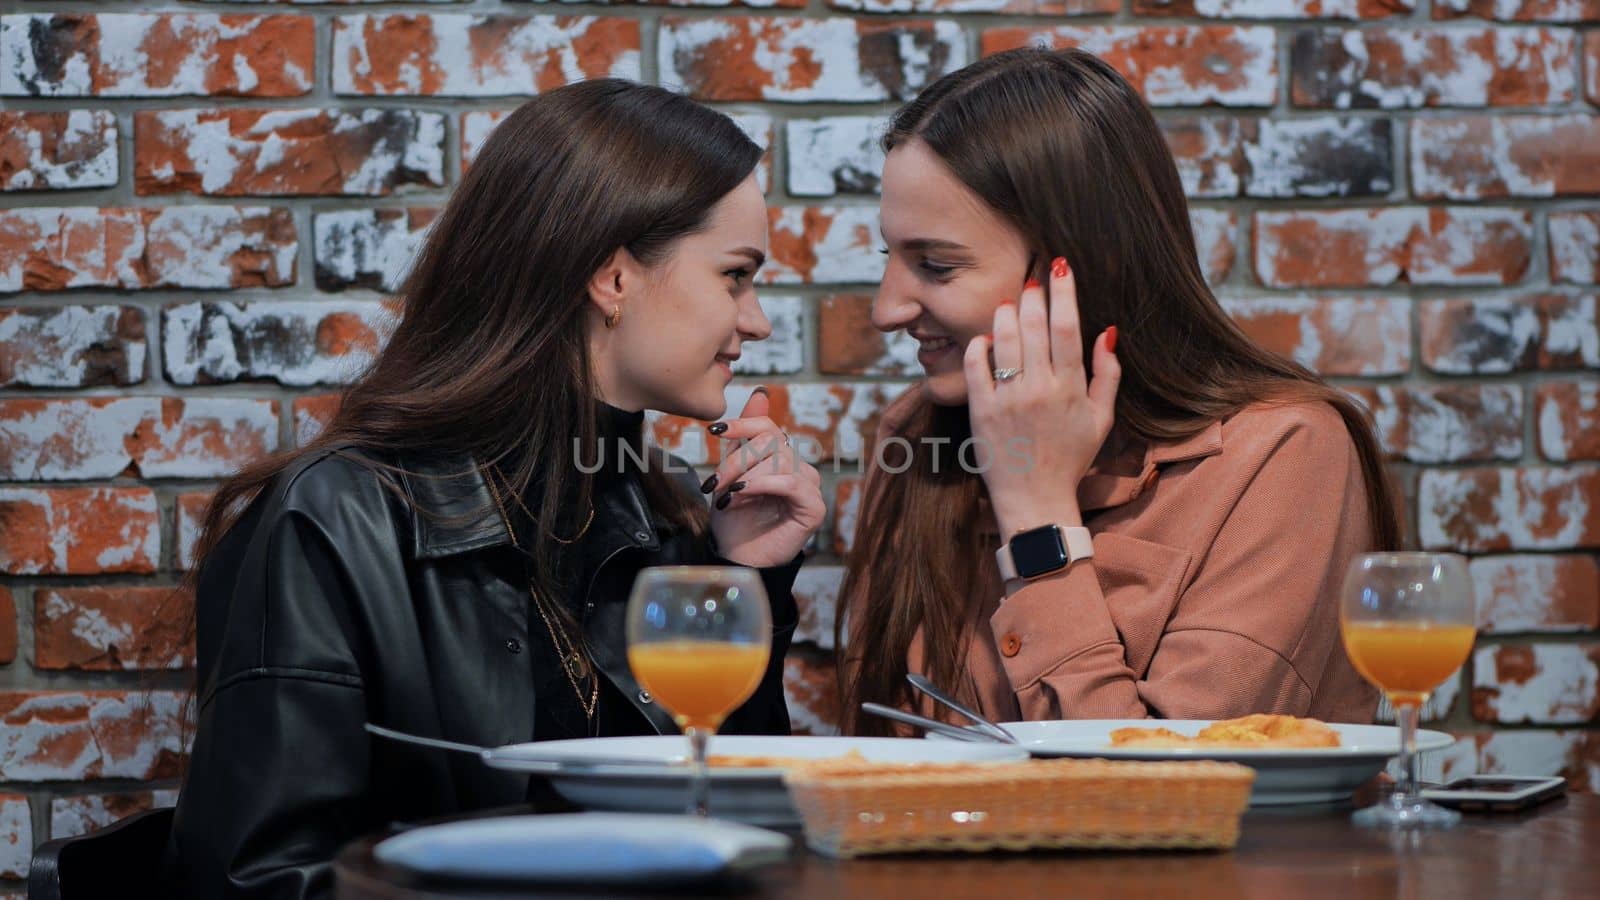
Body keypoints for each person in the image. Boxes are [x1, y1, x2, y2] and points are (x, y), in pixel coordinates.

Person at [161, 79, 825, 899]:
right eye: (736, 276)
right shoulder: (335, 521)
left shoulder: (669, 521)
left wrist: (749, 580)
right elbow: (256, 880)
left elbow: (738, 842)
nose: (758, 320)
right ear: (612, 278)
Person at [837, 48, 1397, 735]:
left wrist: (1036, 514)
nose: (887, 308)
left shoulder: (1285, 454)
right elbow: (878, 755)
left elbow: (1171, 790)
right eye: (889, 257)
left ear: (1072, 268)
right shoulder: (916, 435)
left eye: (935, 265)